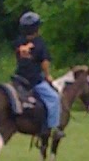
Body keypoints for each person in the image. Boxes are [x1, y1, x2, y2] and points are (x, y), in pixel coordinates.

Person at [12, 11, 63, 139]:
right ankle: (53, 129)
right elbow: (45, 62)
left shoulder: (18, 41)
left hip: (19, 78)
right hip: (33, 80)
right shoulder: (40, 43)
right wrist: (48, 75)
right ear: (36, 28)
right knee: (54, 98)